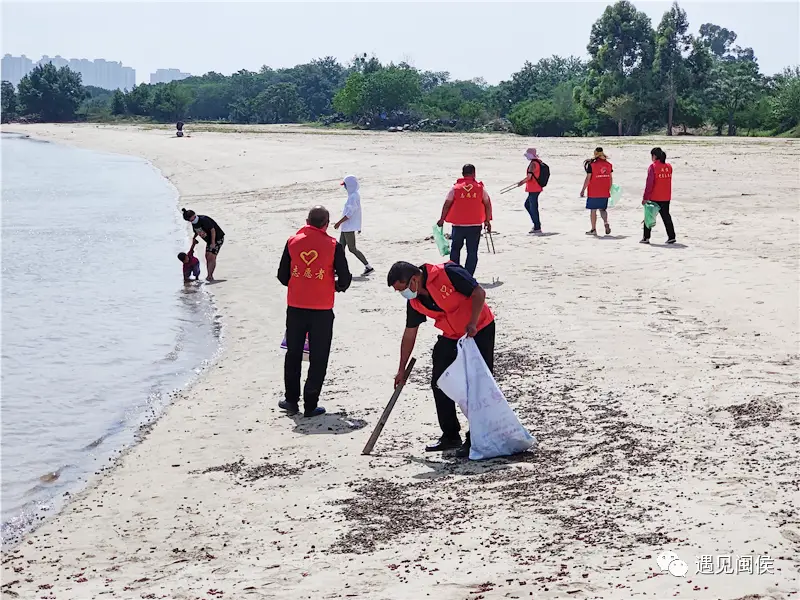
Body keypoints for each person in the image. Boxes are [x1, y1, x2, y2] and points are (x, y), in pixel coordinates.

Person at [387, 260, 496, 458]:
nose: (403, 293)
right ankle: (450, 435)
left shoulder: (448, 273)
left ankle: (476, 436)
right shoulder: (414, 301)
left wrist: (472, 323)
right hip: (451, 335)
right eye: (398, 291)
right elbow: (410, 333)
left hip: (479, 328)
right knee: (439, 381)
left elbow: (479, 293)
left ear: (415, 278)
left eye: (402, 288)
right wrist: (401, 369)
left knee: (478, 384)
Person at [277, 206, 352, 417]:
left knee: (293, 353)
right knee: (319, 356)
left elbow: (283, 276)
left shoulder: (292, 242)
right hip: (322, 310)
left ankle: (291, 401)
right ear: (326, 223)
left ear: (307, 221)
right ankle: (311, 404)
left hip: (296, 307)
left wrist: (300, 284)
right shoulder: (333, 245)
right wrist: (333, 286)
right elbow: (345, 279)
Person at [437, 164, 492, 276]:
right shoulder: (480, 188)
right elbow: (487, 204)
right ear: (474, 173)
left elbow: (447, 204)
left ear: (462, 174)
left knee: (455, 249)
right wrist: (487, 220)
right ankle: (468, 276)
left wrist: (442, 219)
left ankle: (454, 273)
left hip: (458, 225)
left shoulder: (455, 188)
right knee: (472, 252)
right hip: (475, 225)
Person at [333, 175, 374, 276]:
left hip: (348, 227)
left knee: (352, 248)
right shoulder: (354, 195)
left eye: (345, 185)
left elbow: (349, 214)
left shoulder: (353, 197)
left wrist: (339, 222)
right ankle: (337, 270)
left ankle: (368, 267)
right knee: (340, 248)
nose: (345, 187)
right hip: (346, 227)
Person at [641, 147, 676, 244]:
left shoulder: (653, 167)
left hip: (654, 197)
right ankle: (671, 236)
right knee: (666, 217)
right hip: (666, 196)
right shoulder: (669, 166)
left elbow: (649, 184)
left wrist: (645, 198)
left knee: (649, 217)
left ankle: (646, 237)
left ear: (654, 156)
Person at [181, 208, 225, 282]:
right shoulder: (194, 223)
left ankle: (210, 276)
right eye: (189, 221)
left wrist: (213, 242)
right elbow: (197, 231)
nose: (190, 221)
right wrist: (194, 238)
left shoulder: (204, 219)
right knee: (207, 256)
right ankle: (209, 275)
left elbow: (212, 230)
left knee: (212, 256)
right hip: (209, 241)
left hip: (217, 238)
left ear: (193, 215)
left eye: (190, 220)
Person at [579, 148, 613, 236]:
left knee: (593, 210)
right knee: (603, 209)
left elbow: (588, 179)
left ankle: (593, 229)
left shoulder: (592, 165)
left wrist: (583, 190)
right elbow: (610, 178)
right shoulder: (609, 165)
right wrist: (609, 188)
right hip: (605, 190)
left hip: (594, 191)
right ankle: (605, 222)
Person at [516, 148, 544, 234]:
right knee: (528, 205)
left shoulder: (533, 164)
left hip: (534, 188)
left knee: (533, 207)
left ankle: (537, 226)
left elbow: (529, 177)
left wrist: (521, 182)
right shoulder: (538, 162)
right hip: (536, 188)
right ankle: (536, 224)